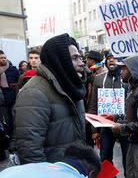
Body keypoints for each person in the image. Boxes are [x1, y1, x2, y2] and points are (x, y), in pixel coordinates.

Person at [13, 33, 85, 164]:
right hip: (53, 177)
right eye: (75, 58)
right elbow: (30, 151)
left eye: (80, 57)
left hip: (72, 171)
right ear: (59, 60)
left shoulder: (72, 87)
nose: (81, 63)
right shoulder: (34, 93)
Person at [88, 53, 137, 178]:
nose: (111, 60)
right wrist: (94, 129)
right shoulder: (98, 79)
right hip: (105, 125)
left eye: (115, 58)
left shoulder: (128, 79)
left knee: (127, 159)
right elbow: (93, 104)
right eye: (109, 58)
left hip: (124, 126)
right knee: (105, 157)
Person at [0, 50, 19, 160]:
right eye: (1, 58)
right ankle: (8, 142)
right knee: (5, 122)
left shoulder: (12, 69)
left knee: (13, 120)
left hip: (12, 98)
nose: (3, 59)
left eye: (4, 57)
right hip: (1, 100)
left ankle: (13, 142)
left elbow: (18, 82)